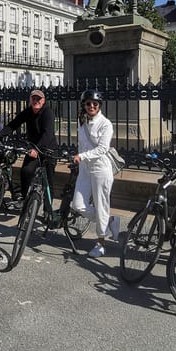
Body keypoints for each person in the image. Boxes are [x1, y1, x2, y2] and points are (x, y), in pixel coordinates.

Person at [71, 90, 115, 258]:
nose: (91, 106)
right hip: (84, 168)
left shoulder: (105, 124)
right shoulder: (83, 123)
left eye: (94, 104)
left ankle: (101, 244)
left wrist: (81, 156)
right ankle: (109, 221)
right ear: (84, 105)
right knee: (78, 205)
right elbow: (81, 145)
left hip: (100, 169)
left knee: (101, 206)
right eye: (88, 103)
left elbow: (103, 148)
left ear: (99, 106)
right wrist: (78, 158)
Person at [0, 89, 57, 199]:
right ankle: (25, 199)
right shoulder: (28, 111)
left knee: (49, 181)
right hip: (33, 149)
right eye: (34, 98)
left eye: (38, 99)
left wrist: (37, 149)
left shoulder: (47, 112)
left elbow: (48, 134)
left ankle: (47, 210)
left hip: (48, 149)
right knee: (26, 171)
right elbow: (13, 124)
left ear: (43, 101)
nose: (36, 101)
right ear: (30, 100)